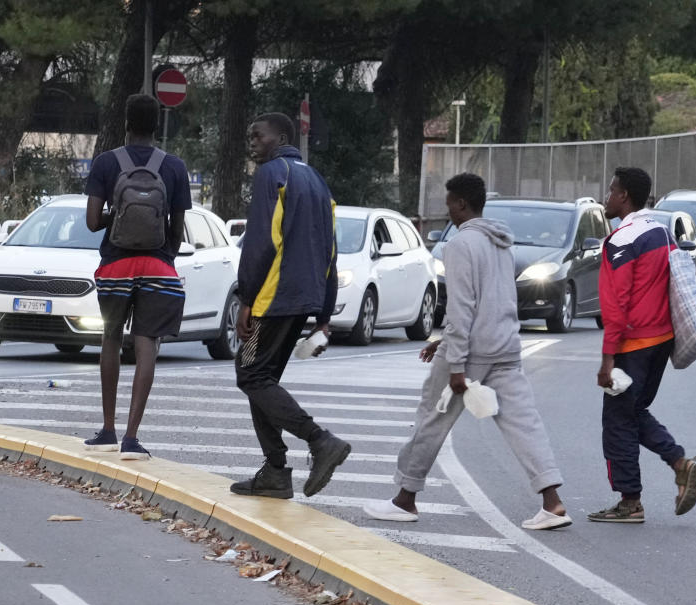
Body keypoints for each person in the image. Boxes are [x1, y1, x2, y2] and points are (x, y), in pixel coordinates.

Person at [364, 173, 571, 530]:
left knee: (432, 418)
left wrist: (455, 361)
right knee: (524, 424)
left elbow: (462, 308)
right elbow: (494, 301)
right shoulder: (503, 244)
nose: (449, 214)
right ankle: (552, 502)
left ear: (461, 204)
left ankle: (405, 498)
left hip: (470, 352)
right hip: (505, 345)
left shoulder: (459, 246)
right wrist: (443, 343)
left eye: (449, 206)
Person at [230, 112, 351, 499]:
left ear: (280, 136)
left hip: (272, 296)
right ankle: (275, 473)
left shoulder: (271, 174)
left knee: (251, 376)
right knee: (262, 378)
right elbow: (330, 249)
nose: (252, 140)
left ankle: (318, 442)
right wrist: (325, 314)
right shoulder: (317, 180)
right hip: (303, 297)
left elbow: (261, 243)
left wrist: (246, 299)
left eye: (257, 134)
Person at [590, 166, 696, 524]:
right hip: (661, 341)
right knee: (633, 412)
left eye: (611, 191)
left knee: (618, 422)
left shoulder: (621, 240)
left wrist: (608, 359)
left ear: (624, 196)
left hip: (633, 343)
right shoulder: (660, 231)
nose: (606, 198)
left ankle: (630, 502)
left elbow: (616, 304)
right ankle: (679, 463)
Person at [82, 93, 192, 461]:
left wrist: (119, 220)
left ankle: (108, 429)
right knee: (147, 345)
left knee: (111, 339)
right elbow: (177, 228)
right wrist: (164, 257)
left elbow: (93, 221)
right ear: (156, 123)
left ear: (126, 123)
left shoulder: (106, 163)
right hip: (157, 268)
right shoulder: (174, 167)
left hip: (115, 267)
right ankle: (132, 438)